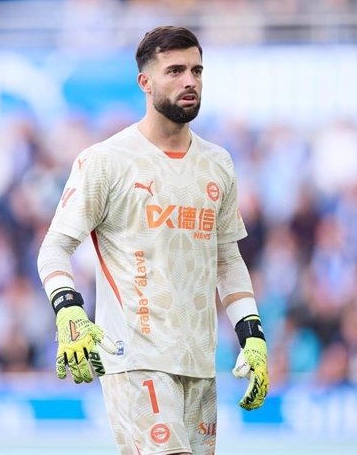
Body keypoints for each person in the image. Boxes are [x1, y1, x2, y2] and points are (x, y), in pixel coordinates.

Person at [37, 25, 268, 455]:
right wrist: (67, 305)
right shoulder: (105, 160)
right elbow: (54, 246)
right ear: (145, 82)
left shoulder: (218, 163)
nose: (190, 81)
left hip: (199, 361)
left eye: (197, 71)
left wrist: (251, 332)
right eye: (175, 70)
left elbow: (227, 259)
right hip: (135, 357)